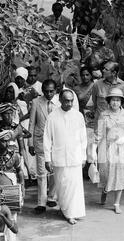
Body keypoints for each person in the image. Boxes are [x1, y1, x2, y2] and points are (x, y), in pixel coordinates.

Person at [44, 89, 87, 225]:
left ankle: (72, 213)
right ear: (60, 101)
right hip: (59, 157)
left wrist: (84, 156)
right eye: (66, 101)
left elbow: (83, 138)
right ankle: (65, 210)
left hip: (75, 157)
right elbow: (47, 139)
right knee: (62, 186)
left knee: (74, 186)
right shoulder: (52, 116)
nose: (69, 103)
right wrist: (47, 158)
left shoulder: (78, 116)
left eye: (71, 101)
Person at [92, 88, 124, 214]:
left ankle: (116, 203)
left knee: (120, 174)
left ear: (121, 101)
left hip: (122, 148)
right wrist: (93, 150)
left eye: (118, 100)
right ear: (109, 101)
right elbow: (98, 133)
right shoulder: (104, 114)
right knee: (106, 173)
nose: (115, 103)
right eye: (113, 100)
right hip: (107, 147)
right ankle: (105, 191)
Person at [28, 80, 60, 215]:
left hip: (56, 142)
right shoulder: (36, 102)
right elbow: (31, 123)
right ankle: (41, 202)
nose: (48, 93)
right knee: (41, 173)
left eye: (51, 91)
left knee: (54, 171)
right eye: (46, 91)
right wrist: (30, 143)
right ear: (42, 90)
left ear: (55, 90)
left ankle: (52, 197)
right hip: (40, 141)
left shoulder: (59, 103)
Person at [90, 61, 124, 129]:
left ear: (114, 73)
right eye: (103, 68)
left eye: (106, 69)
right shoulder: (97, 84)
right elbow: (95, 104)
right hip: (101, 125)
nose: (103, 70)